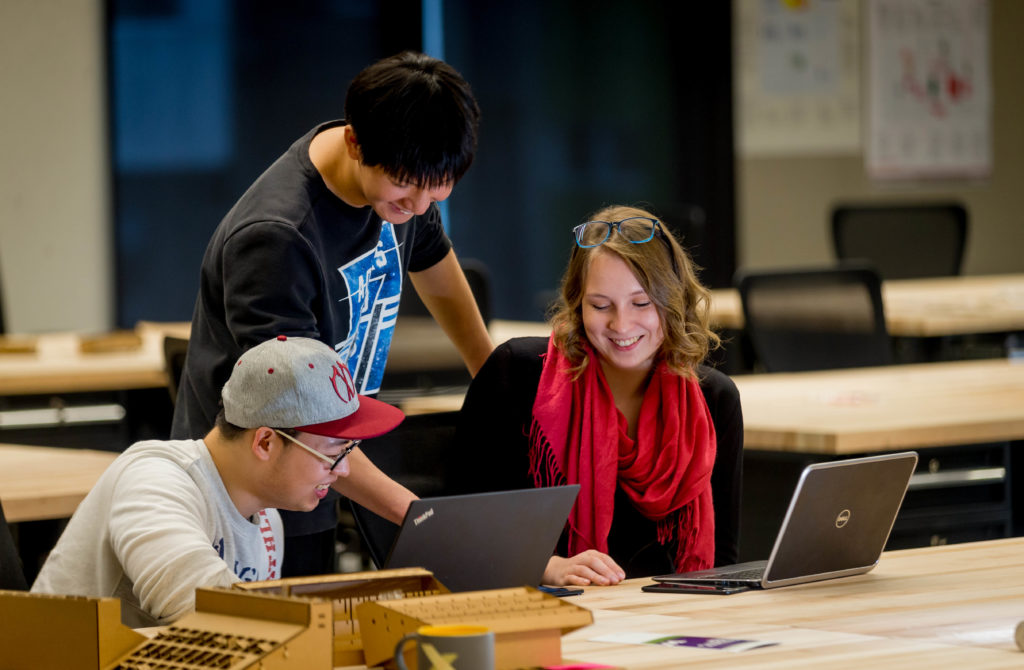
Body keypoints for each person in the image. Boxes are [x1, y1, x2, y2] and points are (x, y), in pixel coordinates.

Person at [170, 51, 494, 576]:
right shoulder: (277, 238)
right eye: (405, 187)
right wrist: (428, 523)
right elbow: (300, 419)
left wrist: (490, 371)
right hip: (251, 494)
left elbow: (431, 257)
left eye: (436, 190)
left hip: (316, 468)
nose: (416, 205)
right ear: (354, 143)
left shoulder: (401, 177)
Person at [453, 205, 742, 587]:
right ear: (577, 302)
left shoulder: (714, 399)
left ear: (673, 301)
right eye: (600, 305)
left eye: (641, 303)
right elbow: (456, 531)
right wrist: (546, 566)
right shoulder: (517, 374)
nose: (621, 325)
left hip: (674, 623)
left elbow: (723, 563)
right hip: (544, 611)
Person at [32, 335, 406, 627]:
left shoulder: (266, 521)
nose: (342, 471)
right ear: (265, 441)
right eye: (333, 453)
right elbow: (212, 617)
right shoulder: (155, 481)